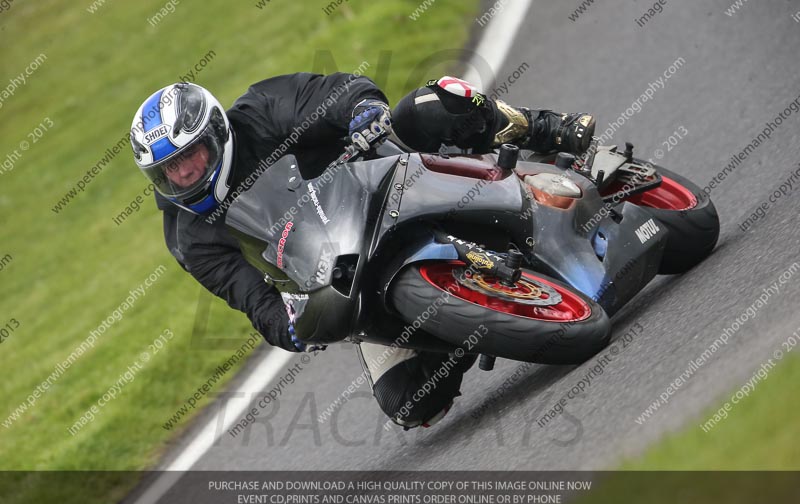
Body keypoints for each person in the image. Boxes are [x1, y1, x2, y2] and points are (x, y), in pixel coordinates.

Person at [129, 73, 595, 429]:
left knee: (437, 101)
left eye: (191, 156)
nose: (185, 174)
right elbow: (250, 297)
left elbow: (339, 90)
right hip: (348, 265)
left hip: (385, 174)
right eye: (170, 171)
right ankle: (476, 320)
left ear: (217, 132)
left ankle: (545, 129)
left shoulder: (261, 110)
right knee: (409, 402)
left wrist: (364, 110)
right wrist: (288, 326)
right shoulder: (190, 238)